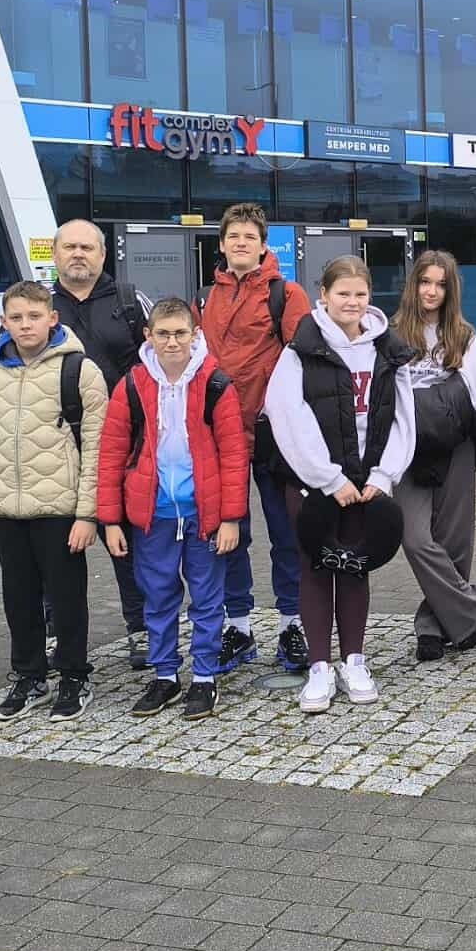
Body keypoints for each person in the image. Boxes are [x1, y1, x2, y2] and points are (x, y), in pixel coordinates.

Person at [265, 255, 417, 714]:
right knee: (315, 568)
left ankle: (354, 661)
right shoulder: (301, 349)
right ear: (324, 296)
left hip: (366, 483)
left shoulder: (389, 350)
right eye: (343, 293)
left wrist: (383, 474)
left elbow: (403, 418)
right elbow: (288, 416)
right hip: (313, 484)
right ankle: (318, 666)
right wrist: (328, 478)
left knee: (354, 568)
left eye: (360, 294)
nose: (352, 302)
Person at [0, 281, 109, 721]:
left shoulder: (79, 370)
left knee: (67, 598)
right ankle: (29, 675)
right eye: (17, 318)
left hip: (61, 510)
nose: (26, 325)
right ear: (3, 322)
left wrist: (88, 514)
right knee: (18, 598)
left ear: (52, 318)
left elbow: (98, 448)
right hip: (7, 508)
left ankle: (74, 675)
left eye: (35, 316)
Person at [96, 299, 248, 721]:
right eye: (162, 333)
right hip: (154, 514)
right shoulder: (132, 385)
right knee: (158, 597)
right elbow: (111, 454)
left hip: (204, 514)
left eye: (180, 333)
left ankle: (204, 676)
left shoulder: (215, 383)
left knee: (207, 598)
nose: (172, 342)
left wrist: (231, 518)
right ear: (148, 336)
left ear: (195, 335)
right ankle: (165, 675)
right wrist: (110, 520)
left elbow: (234, 455)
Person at [199, 203, 313, 676]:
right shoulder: (205, 298)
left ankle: (292, 624)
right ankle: (239, 626)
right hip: (219, 434)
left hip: (272, 432)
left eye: (250, 236)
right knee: (229, 534)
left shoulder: (286, 294)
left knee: (286, 533)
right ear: (222, 244)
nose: (241, 243)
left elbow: (306, 358)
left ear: (263, 245)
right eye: (234, 236)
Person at [48, 218, 154, 670]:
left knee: (127, 546)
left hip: (123, 447)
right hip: (56, 451)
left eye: (87, 247)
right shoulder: (39, 306)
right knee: (56, 549)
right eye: (69, 247)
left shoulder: (130, 302)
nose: (78, 254)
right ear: (55, 254)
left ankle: (142, 631)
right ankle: (58, 635)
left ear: (103, 254)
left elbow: (159, 367)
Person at [393, 250, 476, 662]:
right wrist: (433, 400)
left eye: (440, 284)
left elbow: (467, 396)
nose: (431, 291)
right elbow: (388, 396)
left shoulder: (463, 334)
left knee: (454, 541)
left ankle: (434, 625)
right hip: (407, 448)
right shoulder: (393, 332)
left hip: (455, 444)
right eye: (425, 282)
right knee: (416, 538)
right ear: (413, 284)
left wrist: (416, 402)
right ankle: (472, 605)